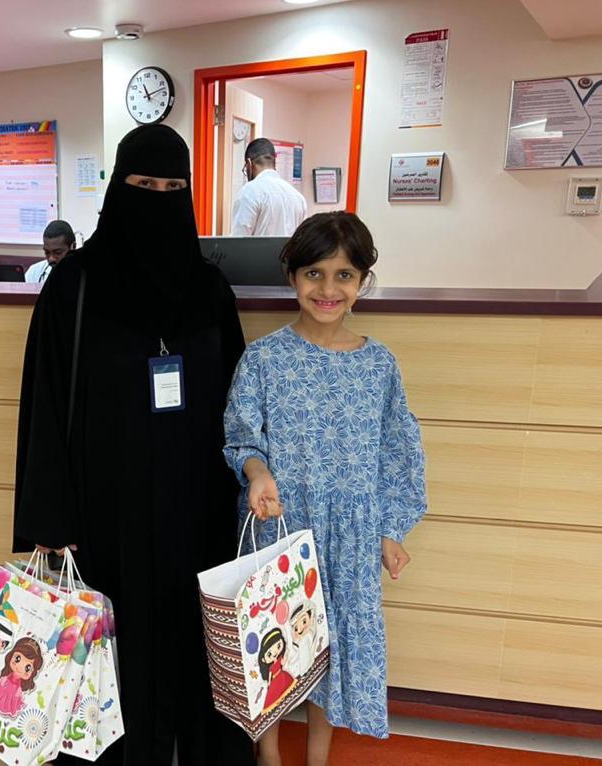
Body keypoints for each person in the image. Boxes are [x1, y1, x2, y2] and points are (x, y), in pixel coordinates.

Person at [13, 124, 254, 766]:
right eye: (144, 184)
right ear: (118, 188)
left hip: (197, 506)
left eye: (173, 188)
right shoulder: (74, 286)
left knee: (196, 644)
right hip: (106, 507)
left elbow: (239, 402)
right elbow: (45, 400)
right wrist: (49, 517)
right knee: (111, 648)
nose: (159, 198)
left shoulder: (210, 290)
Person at [222, 212, 426, 766]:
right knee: (271, 643)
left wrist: (390, 530)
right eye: (314, 273)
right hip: (280, 525)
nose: (328, 289)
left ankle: (318, 756)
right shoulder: (264, 358)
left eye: (344, 275)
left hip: (350, 540)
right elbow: (242, 436)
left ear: (362, 281)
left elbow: (398, 454)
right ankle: (268, 755)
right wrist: (257, 473)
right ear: (292, 276)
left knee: (327, 650)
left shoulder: (379, 365)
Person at [231, 138, 307, 237]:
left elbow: (238, 240)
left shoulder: (249, 192)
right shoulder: (298, 198)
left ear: (249, 164)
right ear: (274, 163)